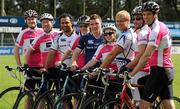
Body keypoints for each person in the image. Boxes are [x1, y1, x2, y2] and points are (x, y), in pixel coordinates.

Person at [129, 1, 175, 109]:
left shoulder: (156, 30)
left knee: (143, 105)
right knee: (168, 104)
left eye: (148, 14)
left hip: (160, 71)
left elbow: (146, 56)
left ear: (155, 14)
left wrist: (132, 74)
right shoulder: (159, 26)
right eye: (144, 14)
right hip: (166, 70)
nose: (145, 17)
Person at [120, 6, 151, 107]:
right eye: (134, 18)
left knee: (139, 103)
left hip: (142, 70)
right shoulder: (141, 31)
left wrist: (127, 66)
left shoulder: (143, 33)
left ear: (144, 19)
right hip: (140, 69)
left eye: (138, 18)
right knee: (137, 101)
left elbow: (141, 56)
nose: (135, 21)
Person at [14, 9, 43, 109]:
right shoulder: (23, 33)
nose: (31, 21)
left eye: (33, 19)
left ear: (37, 19)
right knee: (29, 96)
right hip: (29, 67)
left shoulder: (42, 31)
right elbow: (16, 50)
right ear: (26, 21)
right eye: (29, 19)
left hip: (43, 67)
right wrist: (20, 66)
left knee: (42, 96)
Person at [25, 13, 60, 91]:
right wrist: (26, 65)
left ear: (52, 22)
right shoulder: (39, 37)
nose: (45, 24)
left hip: (59, 69)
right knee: (43, 95)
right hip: (47, 70)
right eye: (43, 22)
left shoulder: (59, 34)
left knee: (62, 96)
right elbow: (28, 51)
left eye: (47, 21)